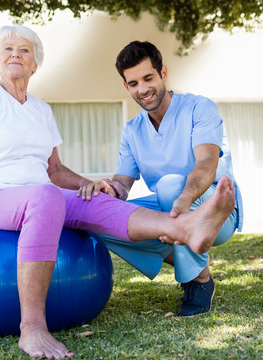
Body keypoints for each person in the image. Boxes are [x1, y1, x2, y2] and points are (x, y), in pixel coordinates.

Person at [0, 26, 236, 359]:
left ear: (35, 64)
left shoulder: (40, 110)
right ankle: (32, 328)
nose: (15, 55)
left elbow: (54, 171)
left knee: (95, 200)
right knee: (46, 197)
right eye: (7, 49)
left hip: (37, 196)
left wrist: (89, 185)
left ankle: (185, 227)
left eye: (24, 50)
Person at [78, 40, 243, 317]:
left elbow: (206, 163)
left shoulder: (199, 108)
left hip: (215, 208)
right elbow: (123, 184)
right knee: (98, 218)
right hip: (172, 212)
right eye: (133, 83)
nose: (142, 89)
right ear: (126, 87)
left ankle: (198, 281)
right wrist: (108, 189)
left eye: (148, 78)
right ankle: (196, 264)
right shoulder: (132, 130)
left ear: (163, 73)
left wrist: (184, 199)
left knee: (169, 186)